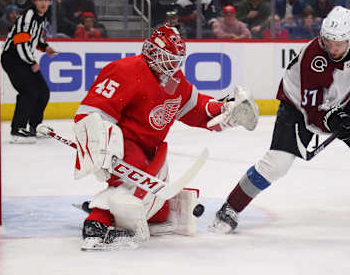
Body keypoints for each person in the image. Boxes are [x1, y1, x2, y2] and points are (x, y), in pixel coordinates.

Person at [210, 6, 350, 235]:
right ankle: (230, 207)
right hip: (297, 107)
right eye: (328, 41)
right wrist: (335, 120)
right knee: (277, 164)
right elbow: (313, 112)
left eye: (339, 43)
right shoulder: (314, 59)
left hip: (342, 98)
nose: (333, 48)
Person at [73, 24, 259, 250]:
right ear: (153, 52)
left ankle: (113, 207)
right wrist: (99, 148)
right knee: (133, 190)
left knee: (159, 213)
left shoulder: (174, 81)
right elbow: (91, 113)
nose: (173, 65)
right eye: (168, 58)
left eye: (176, 59)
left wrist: (224, 110)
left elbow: (196, 108)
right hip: (124, 147)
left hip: (152, 151)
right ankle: (97, 221)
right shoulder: (125, 70)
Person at [1, 0, 56, 143]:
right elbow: (21, 43)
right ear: (34, 1)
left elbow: (35, 39)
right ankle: (17, 130)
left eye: (46, 0)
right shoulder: (28, 16)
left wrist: (45, 48)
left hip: (23, 59)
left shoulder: (41, 17)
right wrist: (32, 62)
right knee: (29, 91)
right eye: (40, 0)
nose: (43, 3)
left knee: (43, 92)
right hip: (12, 59)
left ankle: (34, 126)